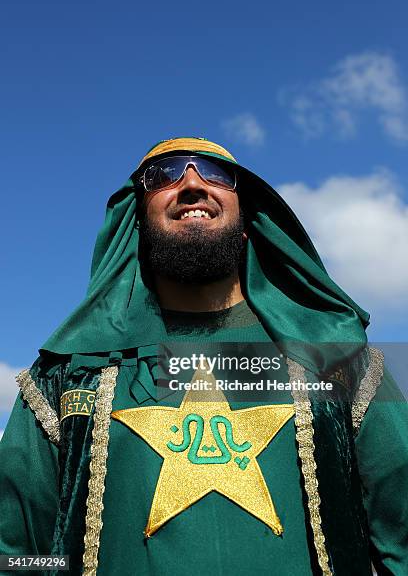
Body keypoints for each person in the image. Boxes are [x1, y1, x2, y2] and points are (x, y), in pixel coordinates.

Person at [0, 136, 407, 576]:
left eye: (216, 173)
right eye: (164, 175)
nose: (192, 183)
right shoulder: (69, 374)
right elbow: (16, 552)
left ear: (248, 221)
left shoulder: (336, 357)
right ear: (136, 220)